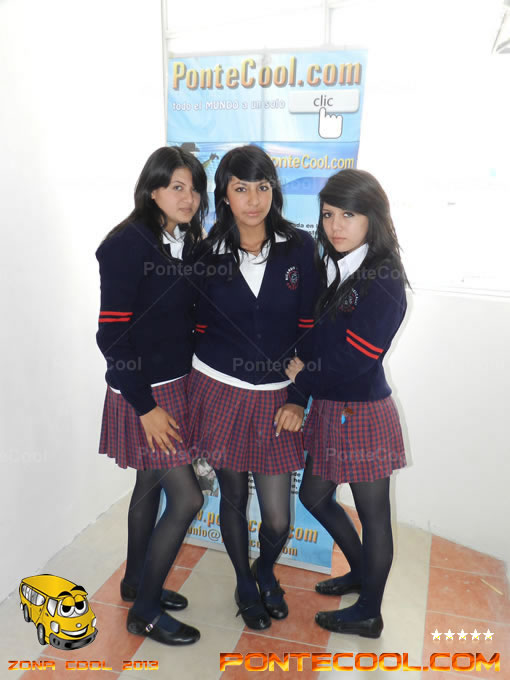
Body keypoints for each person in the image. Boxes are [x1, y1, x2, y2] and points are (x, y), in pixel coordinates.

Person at [187, 145, 319, 630]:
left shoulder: (299, 247)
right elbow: (194, 327)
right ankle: (245, 582)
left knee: (279, 517)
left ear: (274, 191)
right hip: (220, 388)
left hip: (277, 398)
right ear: (224, 194)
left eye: (262, 187)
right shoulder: (206, 253)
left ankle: (265, 569)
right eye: (241, 188)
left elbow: (310, 329)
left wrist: (299, 397)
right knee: (233, 498)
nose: (253, 199)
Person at [285, 169, 408, 639]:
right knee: (313, 496)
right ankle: (361, 572)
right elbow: (318, 342)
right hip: (331, 407)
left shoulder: (383, 279)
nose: (336, 225)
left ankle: (370, 612)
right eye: (328, 214)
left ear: (372, 218)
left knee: (374, 516)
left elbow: (357, 359)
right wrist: (304, 386)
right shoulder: (337, 267)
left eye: (349, 215)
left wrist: (302, 378)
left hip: (361, 413)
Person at [96, 146, 208, 646]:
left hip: (172, 384)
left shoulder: (181, 239)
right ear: (153, 190)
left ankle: (135, 580)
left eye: (194, 189)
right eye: (177, 187)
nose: (189, 198)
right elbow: (111, 335)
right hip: (144, 392)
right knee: (187, 497)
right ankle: (143, 612)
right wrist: (145, 407)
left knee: (148, 485)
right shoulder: (127, 245)